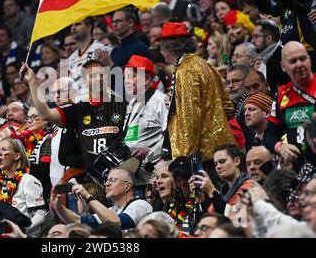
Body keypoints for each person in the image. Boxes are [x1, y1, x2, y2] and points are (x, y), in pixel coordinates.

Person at [21, 59, 126, 173]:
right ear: (85, 82)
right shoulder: (78, 110)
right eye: (93, 76)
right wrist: (32, 81)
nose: (99, 79)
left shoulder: (124, 105)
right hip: (92, 180)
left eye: (102, 75)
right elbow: (45, 114)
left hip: (120, 173)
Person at [158, 22, 235, 166]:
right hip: (220, 145)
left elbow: (190, 116)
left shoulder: (185, 70)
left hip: (202, 153)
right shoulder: (203, 63)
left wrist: (186, 158)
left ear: (169, 48)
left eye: (161, 48)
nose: (161, 53)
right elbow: (228, 106)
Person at [264, 41, 316, 172]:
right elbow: (269, 135)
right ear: (283, 66)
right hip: (296, 170)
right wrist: (280, 147)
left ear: (309, 60)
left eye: (303, 59)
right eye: (293, 61)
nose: (299, 65)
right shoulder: (281, 94)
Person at [51, 168, 152, 230]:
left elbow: (117, 223)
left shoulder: (140, 204)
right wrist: (59, 208)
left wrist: (88, 196)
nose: (106, 184)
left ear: (127, 186)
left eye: (112, 180)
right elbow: (78, 220)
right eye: (106, 180)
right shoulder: (112, 211)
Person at [122, 55, 169, 190]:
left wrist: (150, 150)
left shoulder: (160, 101)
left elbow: (171, 135)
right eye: (125, 77)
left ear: (147, 79)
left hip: (152, 178)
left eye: (132, 77)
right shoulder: (131, 104)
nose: (126, 81)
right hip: (132, 177)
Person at [0, 138, 46, 237]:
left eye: (4, 149)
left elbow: (40, 214)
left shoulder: (28, 180)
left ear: (16, 156)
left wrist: (22, 230)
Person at [189, 144, 254, 218]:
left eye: (222, 161)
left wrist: (212, 192)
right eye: (215, 164)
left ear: (237, 161)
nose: (218, 167)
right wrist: (201, 199)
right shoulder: (223, 192)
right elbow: (209, 220)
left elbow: (238, 220)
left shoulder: (249, 187)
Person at [68, 18, 111, 102]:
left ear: (89, 27)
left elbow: (113, 75)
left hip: (96, 103)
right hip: (78, 106)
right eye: (71, 25)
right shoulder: (72, 58)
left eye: (77, 24)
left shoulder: (102, 48)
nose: (73, 28)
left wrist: (108, 65)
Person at [252, 20, 289, 94]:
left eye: (256, 37)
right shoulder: (265, 59)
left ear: (268, 38)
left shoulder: (282, 56)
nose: (252, 41)